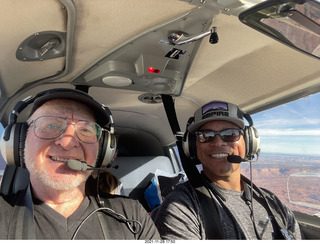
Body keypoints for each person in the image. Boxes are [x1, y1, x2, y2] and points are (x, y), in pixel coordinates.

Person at [0, 88, 160, 240]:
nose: (67, 142)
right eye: (50, 125)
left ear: (102, 151)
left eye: (85, 130)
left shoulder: (132, 215)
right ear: (19, 142)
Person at [152, 100, 303, 240]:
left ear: (249, 142)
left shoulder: (273, 202)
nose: (218, 142)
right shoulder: (181, 207)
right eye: (206, 136)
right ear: (192, 146)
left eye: (230, 134)